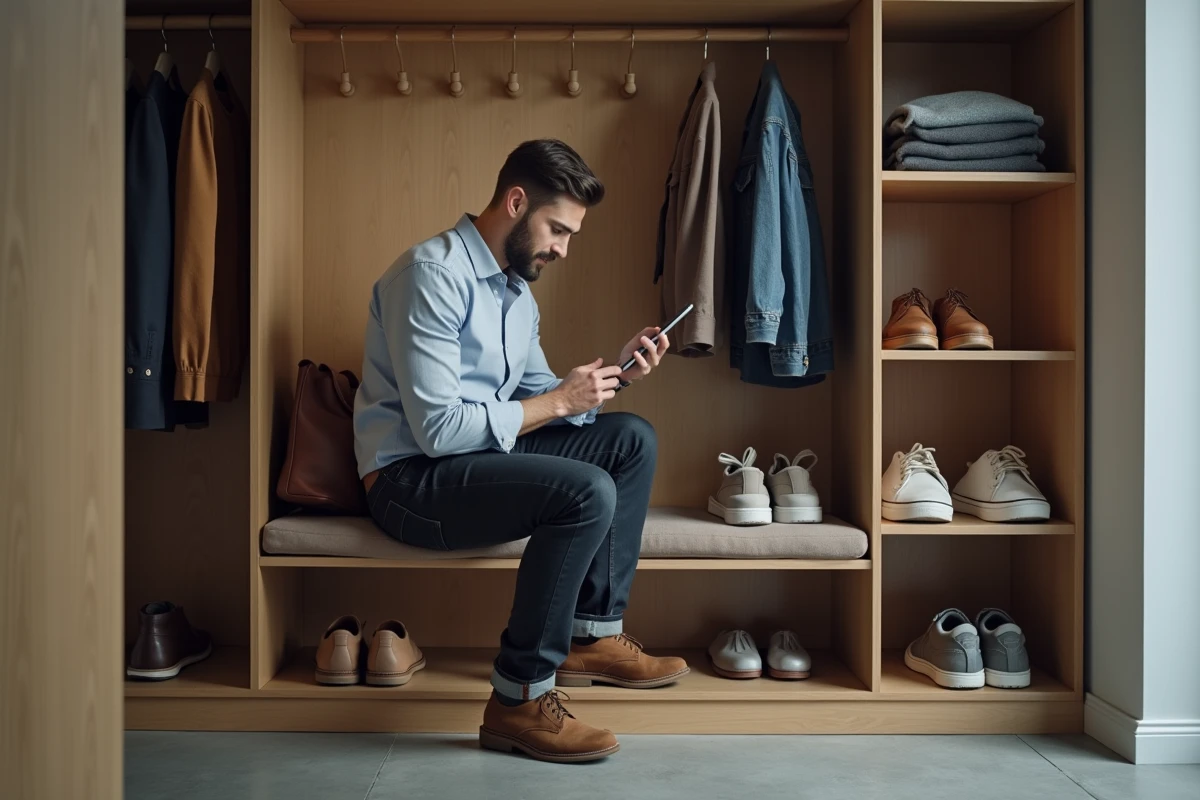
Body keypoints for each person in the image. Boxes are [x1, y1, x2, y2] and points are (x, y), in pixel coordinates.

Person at [353, 139, 688, 763]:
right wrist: (560, 403)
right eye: (557, 229)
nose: (562, 248)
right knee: (585, 490)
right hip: (408, 483)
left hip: (471, 468)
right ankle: (518, 700)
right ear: (515, 202)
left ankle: (590, 636)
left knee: (629, 440)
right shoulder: (431, 275)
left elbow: (541, 397)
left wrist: (615, 376)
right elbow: (440, 432)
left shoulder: (515, 295)